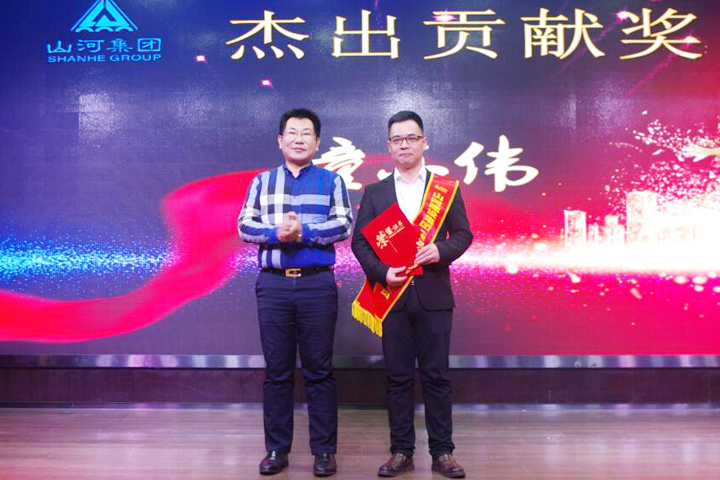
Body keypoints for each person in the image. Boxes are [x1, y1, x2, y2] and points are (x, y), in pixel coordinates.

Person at [351, 111, 473, 478]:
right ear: (388, 146)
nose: (404, 144)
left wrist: (441, 250)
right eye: (397, 139)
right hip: (393, 298)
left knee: (437, 377)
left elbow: (463, 235)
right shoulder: (375, 193)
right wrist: (382, 273)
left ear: (424, 142)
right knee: (398, 378)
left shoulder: (445, 189)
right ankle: (401, 451)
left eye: (411, 138)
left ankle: (443, 453)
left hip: (434, 296)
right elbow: (360, 243)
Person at [238, 108, 353, 477]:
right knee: (277, 371)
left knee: (319, 370)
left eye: (307, 133)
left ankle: (324, 451)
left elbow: (344, 224)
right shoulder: (261, 182)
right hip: (273, 284)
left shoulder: (332, 181)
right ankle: (276, 449)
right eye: (292, 132)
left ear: (317, 142)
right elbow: (244, 225)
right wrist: (276, 234)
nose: (299, 139)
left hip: (317, 284)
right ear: (280, 140)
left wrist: (304, 232)